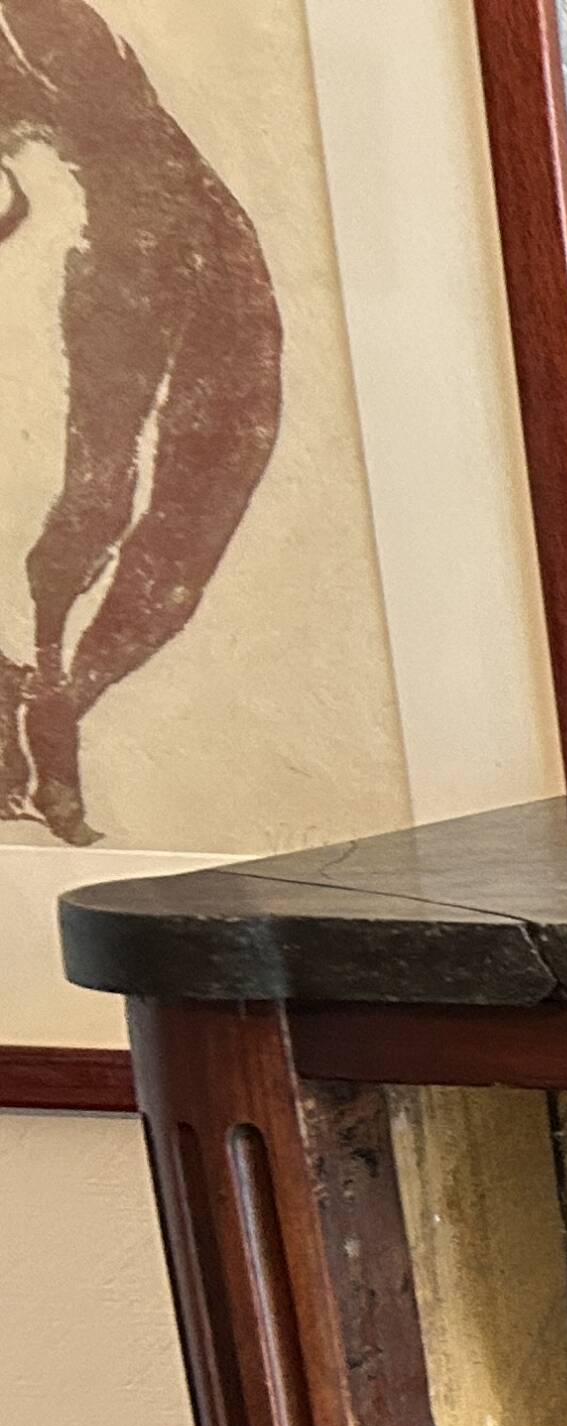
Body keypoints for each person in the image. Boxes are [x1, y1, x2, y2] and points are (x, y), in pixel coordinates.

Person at [0, 0, 279, 845]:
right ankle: (44, 713)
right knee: (94, 505)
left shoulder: (144, 187)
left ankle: (51, 705)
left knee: (125, 515)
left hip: (127, 224)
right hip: (102, 221)